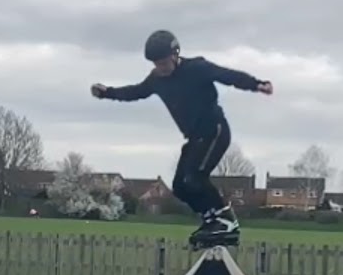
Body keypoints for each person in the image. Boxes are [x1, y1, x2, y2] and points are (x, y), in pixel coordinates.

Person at [91, 29, 273, 244]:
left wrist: (256, 84)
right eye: (156, 64)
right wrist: (107, 93)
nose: (161, 68)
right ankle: (210, 219)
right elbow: (135, 92)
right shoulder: (156, 79)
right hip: (195, 138)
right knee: (180, 186)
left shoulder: (196, 68)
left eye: (164, 63)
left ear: (175, 55)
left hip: (215, 131)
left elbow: (227, 75)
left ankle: (225, 220)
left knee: (195, 178)